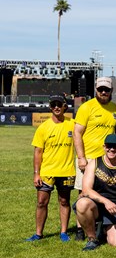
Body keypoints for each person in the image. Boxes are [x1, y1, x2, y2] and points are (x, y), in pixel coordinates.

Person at [28, 94, 76, 242]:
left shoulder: (73, 124)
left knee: (64, 201)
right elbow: (38, 152)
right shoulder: (43, 128)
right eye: (53, 104)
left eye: (59, 104)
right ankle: (38, 234)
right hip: (46, 172)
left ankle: (63, 232)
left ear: (64, 106)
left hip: (66, 171)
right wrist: (37, 173)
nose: (56, 107)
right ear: (50, 107)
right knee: (41, 202)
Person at [73, 76, 116, 192]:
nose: (103, 92)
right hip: (88, 158)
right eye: (100, 89)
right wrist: (81, 158)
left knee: (105, 193)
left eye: (106, 89)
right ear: (96, 89)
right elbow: (77, 133)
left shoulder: (115, 109)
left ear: (111, 90)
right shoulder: (86, 107)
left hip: (107, 159)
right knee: (84, 194)